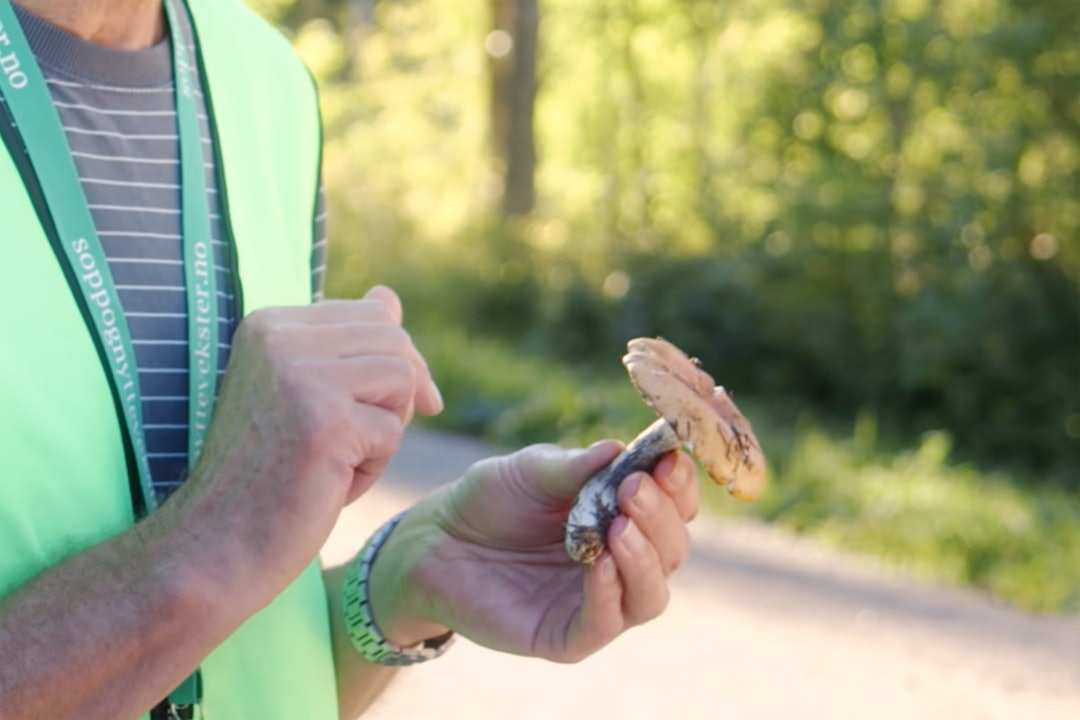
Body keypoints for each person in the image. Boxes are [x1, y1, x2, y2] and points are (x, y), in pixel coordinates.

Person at [0, 1, 700, 718]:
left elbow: (222, 671)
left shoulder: (266, 79)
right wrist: (211, 543)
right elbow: (212, 562)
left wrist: (409, 580)